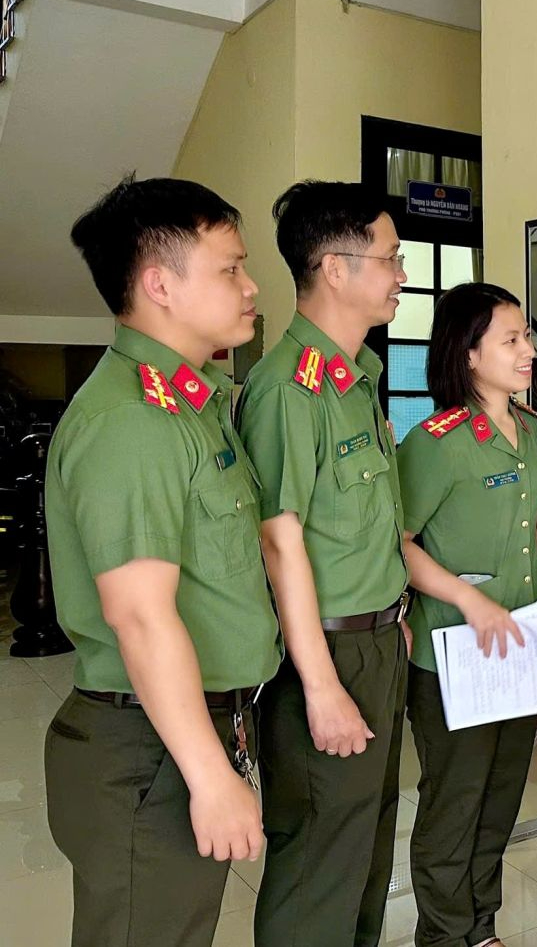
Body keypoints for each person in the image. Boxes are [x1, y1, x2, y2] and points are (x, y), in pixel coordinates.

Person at [44, 177, 280, 947]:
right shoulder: (133, 421)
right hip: (151, 751)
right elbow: (140, 617)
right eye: (230, 269)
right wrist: (211, 778)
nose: (250, 288)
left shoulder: (192, 405)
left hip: (181, 733)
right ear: (159, 285)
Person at [238, 180, 411, 947]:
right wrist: (321, 686)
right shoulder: (288, 392)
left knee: (366, 851)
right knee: (317, 869)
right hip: (325, 652)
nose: (401, 273)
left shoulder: (357, 378)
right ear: (335, 269)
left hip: (376, 642)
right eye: (389, 258)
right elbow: (280, 544)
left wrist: (393, 618)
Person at [396, 283, 537, 947]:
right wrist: (467, 598)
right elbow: (398, 542)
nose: (528, 351)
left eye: (526, 337)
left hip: (518, 645)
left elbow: (526, 528)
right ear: (469, 354)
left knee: (498, 800)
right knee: (454, 806)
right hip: (452, 653)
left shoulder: (529, 430)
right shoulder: (437, 442)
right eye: (512, 339)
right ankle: (442, 936)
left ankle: (480, 928)